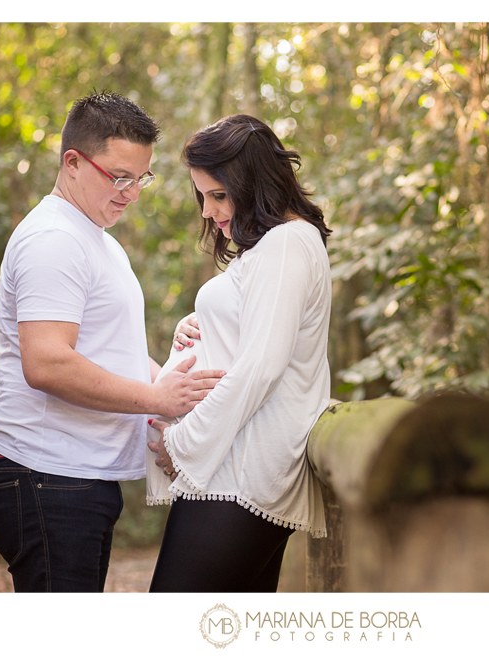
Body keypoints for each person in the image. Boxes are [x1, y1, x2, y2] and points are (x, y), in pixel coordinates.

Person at [0, 91, 225, 593]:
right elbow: (46, 363)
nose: (132, 192)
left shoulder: (97, 239)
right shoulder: (55, 239)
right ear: (72, 162)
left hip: (70, 478)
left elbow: (112, 353)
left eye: (141, 178)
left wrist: (178, 383)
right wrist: (155, 398)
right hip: (45, 474)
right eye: (119, 177)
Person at [145, 114, 332, 592]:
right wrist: (200, 326)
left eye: (219, 195)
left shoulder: (287, 242)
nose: (207, 211)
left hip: (240, 474)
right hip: (230, 469)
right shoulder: (269, 248)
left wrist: (181, 444)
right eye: (202, 196)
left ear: (255, 183)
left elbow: (261, 368)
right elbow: (252, 341)